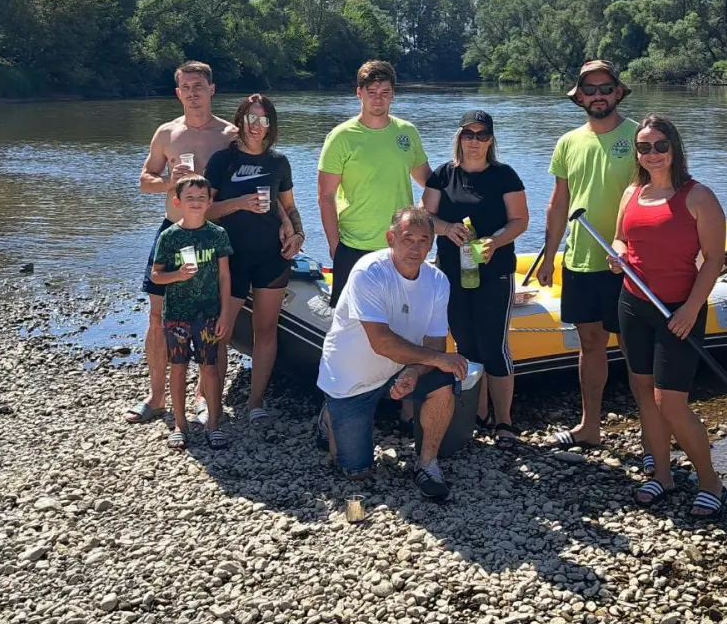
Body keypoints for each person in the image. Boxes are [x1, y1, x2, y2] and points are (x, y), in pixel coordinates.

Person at [611, 115, 727, 518]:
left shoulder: (699, 197)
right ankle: (662, 474)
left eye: (660, 145)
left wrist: (692, 309)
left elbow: (714, 260)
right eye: (644, 147)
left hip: (679, 309)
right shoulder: (631, 194)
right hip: (633, 304)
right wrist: (619, 254)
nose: (652, 154)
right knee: (643, 392)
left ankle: (711, 482)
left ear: (674, 148)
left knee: (671, 402)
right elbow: (621, 238)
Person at [315, 208, 470, 501]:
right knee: (355, 472)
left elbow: (435, 343)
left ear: (432, 244)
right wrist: (437, 359)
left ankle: (427, 464)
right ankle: (329, 415)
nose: (415, 248)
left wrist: (414, 372)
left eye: (423, 241)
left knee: (443, 379)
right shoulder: (368, 272)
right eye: (407, 238)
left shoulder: (438, 281)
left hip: (398, 369)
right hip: (352, 377)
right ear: (391, 238)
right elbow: (382, 342)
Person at [129, 61, 239, 425]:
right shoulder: (167, 133)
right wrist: (166, 183)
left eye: (199, 86)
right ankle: (156, 396)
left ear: (212, 89)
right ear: (178, 93)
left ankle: (203, 396)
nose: (193, 93)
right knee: (158, 316)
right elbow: (145, 179)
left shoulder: (230, 135)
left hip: (214, 234)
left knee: (210, 318)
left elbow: (257, 178)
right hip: (172, 234)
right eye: (186, 87)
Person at [537, 60, 638, 449]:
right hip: (580, 259)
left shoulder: (638, 136)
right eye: (590, 89)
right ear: (579, 97)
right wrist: (549, 256)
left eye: (605, 87)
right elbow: (558, 204)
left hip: (626, 263)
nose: (598, 95)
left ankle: (653, 434)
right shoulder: (567, 142)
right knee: (591, 344)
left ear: (617, 92)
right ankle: (589, 426)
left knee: (634, 349)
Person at [422, 110, 528, 446]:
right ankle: (477, 413)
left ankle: (505, 420)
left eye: (482, 135)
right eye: (468, 134)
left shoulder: (505, 176)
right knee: (465, 344)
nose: (475, 141)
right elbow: (425, 215)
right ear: (459, 138)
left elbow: (520, 220)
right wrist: (446, 228)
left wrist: (494, 241)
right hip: (452, 272)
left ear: (491, 140)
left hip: (494, 270)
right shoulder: (442, 175)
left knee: (494, 346)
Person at [203, 94, 304, 427]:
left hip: (271, 258)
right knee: (219, 331)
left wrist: (298, 236)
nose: (256, 126)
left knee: (265, 330)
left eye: (263, 120)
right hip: (229, 257)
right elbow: (206, 211)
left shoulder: (279, 162)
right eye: (250, 118)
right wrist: (241, 203)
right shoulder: (222, 161)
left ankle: (256, 402)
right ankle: (210, 400)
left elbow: (289, 208)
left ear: (270, 124)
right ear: (240, 120)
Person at [317, 60, 431, 304]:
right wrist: (335, 246)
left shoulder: (407, 132)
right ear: (359, 93)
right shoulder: (341, 137)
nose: (378, 99)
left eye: (385, 93)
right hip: (353, 246)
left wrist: (421, 218)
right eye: (371, 93)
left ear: (393, 95)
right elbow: (326, 197)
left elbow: (429, 183)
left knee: (401, 321)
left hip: (400, 247)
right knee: (351, 329)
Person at [148, 175, 237, 449]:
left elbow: (224, 276)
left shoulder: (217, 234)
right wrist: (177, 275)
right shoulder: (169, 236)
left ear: (210, 201)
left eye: (201, 198)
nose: (196, 203)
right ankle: (180, 424)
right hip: (176, 315)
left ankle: (213, 424)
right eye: (190, 198)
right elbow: (156, 276)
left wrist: (224, 314)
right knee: (178, 368)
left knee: (209, 368)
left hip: (208, 315)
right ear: (178, 201)